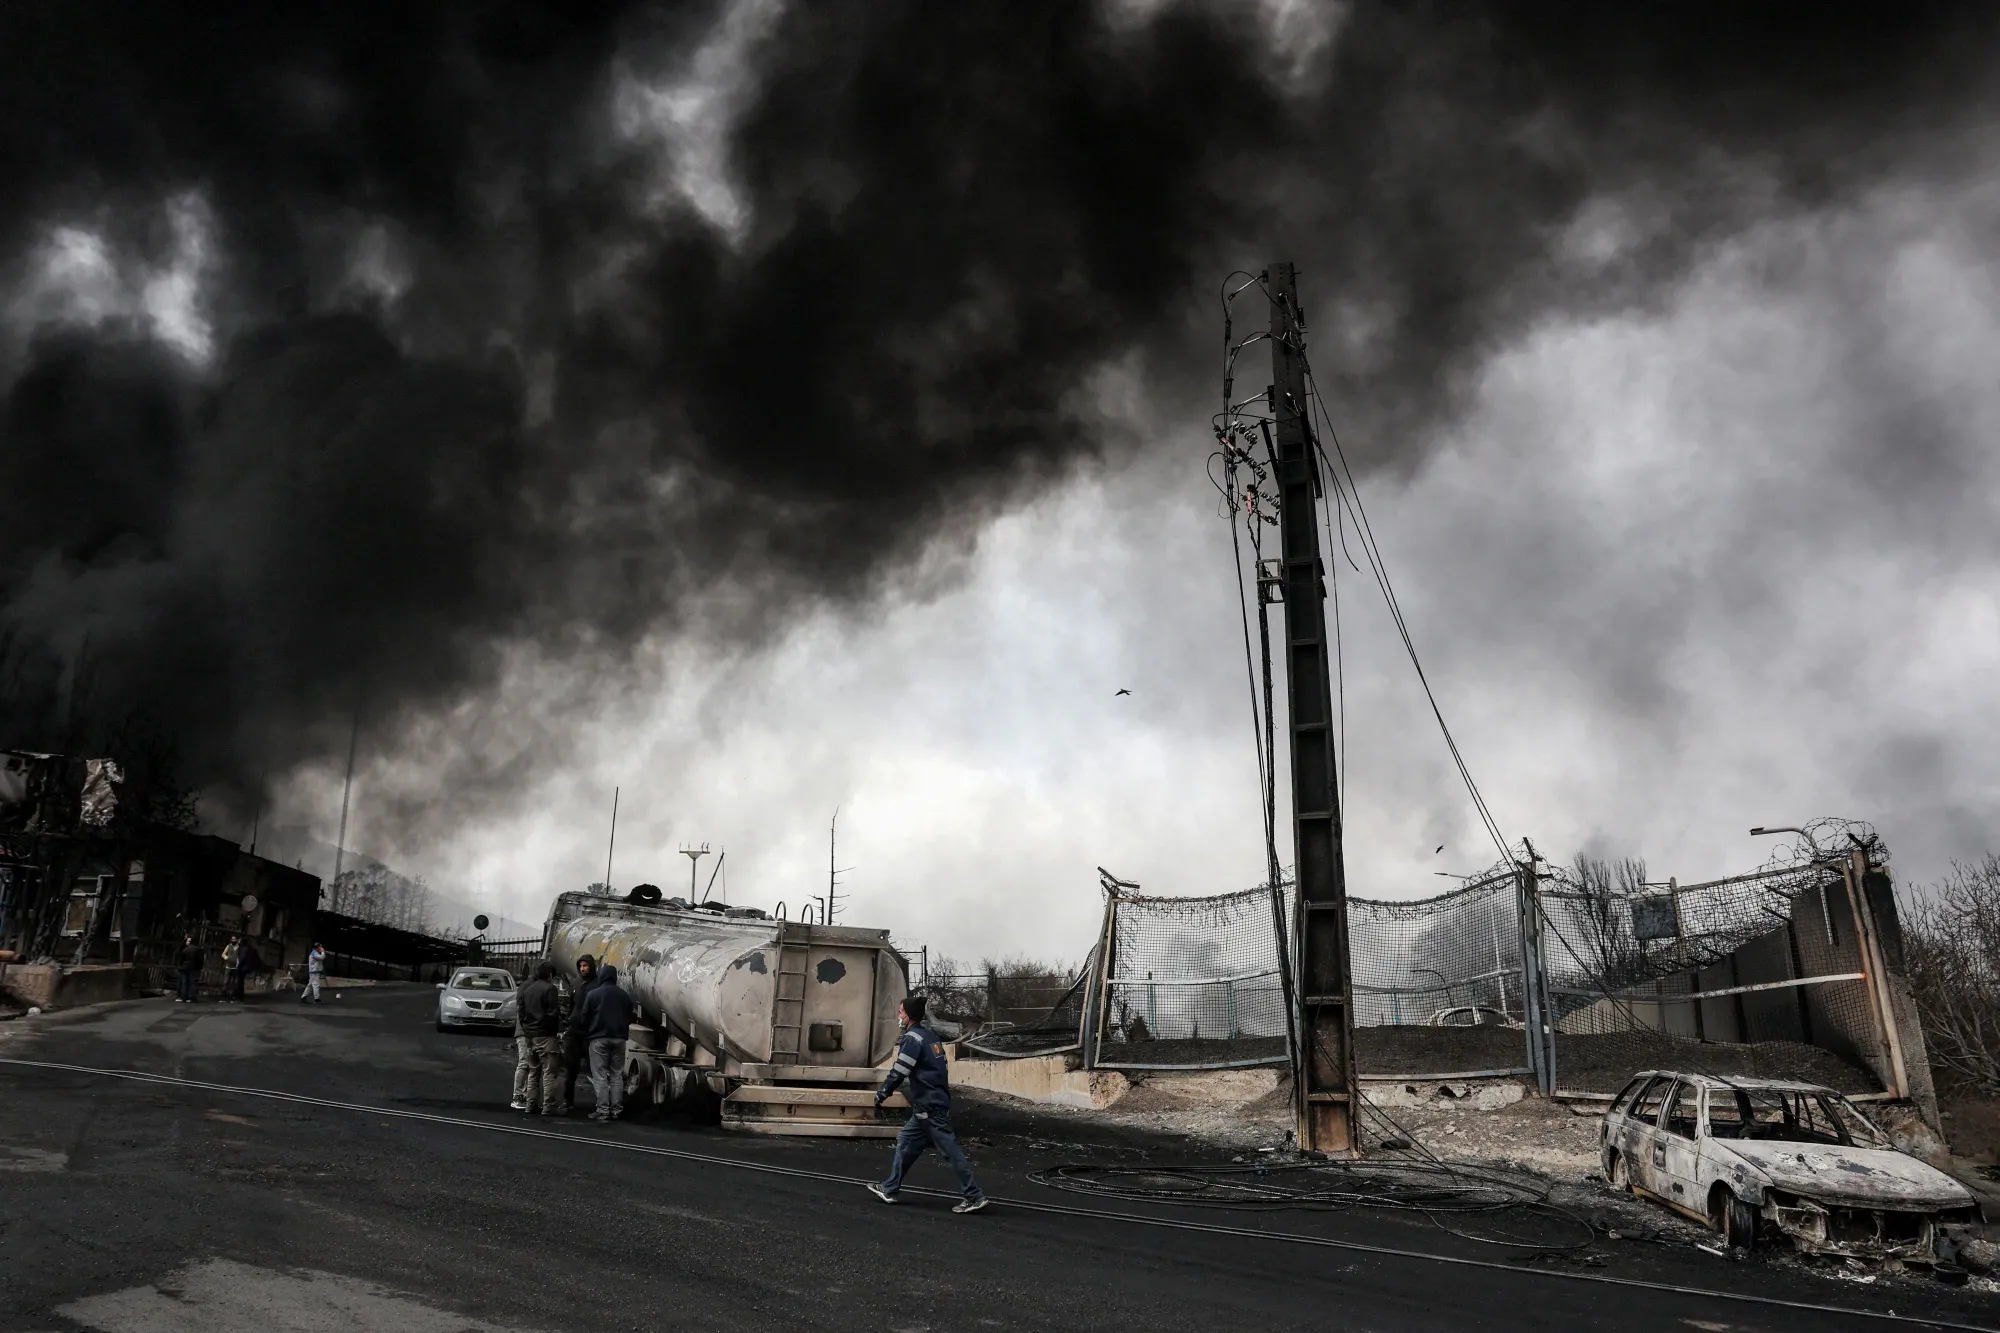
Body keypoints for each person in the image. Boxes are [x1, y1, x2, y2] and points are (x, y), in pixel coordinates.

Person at [867, 995, 987, 1213]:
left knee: (950, 1151)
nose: (898, 1016)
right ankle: (890, 1188)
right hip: (931, 1104)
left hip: (929, 1107)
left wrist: (883, 1093)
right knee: (905, 1140)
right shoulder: (930, 1037)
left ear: (909, 1016)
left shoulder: (912, 1040)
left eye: (901, 1012)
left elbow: (900, 1071)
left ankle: (974, 1196)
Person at [579, 963, 634, 1122]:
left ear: (601, 976)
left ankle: (603, 1110)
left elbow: (584, 1017)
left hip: (599, 1038)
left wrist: (588, 1030)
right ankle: (617, 1110)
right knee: (617, 1075)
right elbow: (630, 1016)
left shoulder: (593, 994)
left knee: (600, 1075)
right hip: (619, 1039)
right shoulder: (624, 996)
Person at [515, 962, 564, 1116]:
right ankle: (548, 1106)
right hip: (545, 1036)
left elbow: (521, 1012)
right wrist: (553, 1029)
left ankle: (530, 1104)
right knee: (549, 1071)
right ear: (550, 975)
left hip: (530, 1036)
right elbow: (553, 1013)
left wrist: (527, 1027)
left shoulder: (527, 990)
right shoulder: (550, 989)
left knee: (533, 1071)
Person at [559, 954, 602, 1114]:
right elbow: (572, 1004)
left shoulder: (597, 984)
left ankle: (601, 1104)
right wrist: (569, 1021)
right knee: (570, 1069)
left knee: (595, 1070)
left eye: (586, 966)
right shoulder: (576, 983)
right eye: (581, 966)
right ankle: (567, 1101)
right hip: (573, 1032)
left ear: (591, 966)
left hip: (590, 1034)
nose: (583, 969)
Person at [175, 935, 205, 1004]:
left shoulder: (185, 949)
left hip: (185, 967)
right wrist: (200, 967)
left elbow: (181, 959)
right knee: (193, 983)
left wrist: (182, 965)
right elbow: (200, 960)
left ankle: (183, 997)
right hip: (194, 968)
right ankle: (192, 997)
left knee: (184, 983)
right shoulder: (198, 949)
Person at [221, 935, 244, 1003]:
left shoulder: (239, 947)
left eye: (234, 939)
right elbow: (223, 954)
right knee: (226, 981)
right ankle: (224, 996)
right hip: (228, 966)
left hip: (236, 967)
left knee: (234, 982)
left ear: (237, 940)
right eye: (232, 939)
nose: (233, 940)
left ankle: (233, 995)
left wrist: (238, 961)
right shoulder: (229, 946)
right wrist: (227, 958)